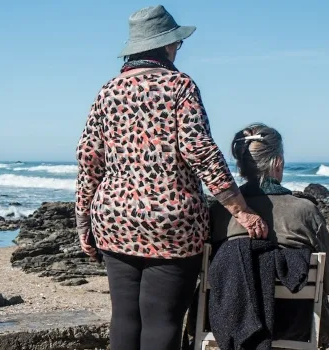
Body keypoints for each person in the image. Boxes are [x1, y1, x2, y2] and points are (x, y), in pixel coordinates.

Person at [75, 5, 269, 350]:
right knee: (162, 318)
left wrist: (83, 221)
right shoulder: (179, 85)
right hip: (172, 222)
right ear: (166, 46)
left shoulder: (107, 91)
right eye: (177, 44)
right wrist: (239, 209)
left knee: (124, 316)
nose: (178, 49)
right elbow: (199, 149)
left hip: (115, 218)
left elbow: (89, 158)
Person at [209, 123, 329, 348]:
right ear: (277, 162)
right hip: (295, 324)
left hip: (225, 323)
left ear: (240, 166)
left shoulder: (219, 212)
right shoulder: (304, 210)